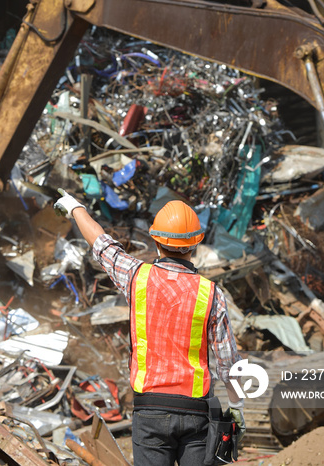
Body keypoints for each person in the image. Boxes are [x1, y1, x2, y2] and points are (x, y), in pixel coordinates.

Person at [54, 191, 245, 466]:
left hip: (150, 411)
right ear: (195, 245)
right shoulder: (211, 293)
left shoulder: (136, 277)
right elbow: (227, 362)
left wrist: (75, 207)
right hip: (196, 412)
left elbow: (102, 245)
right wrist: (236, 406)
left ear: (156, 241)